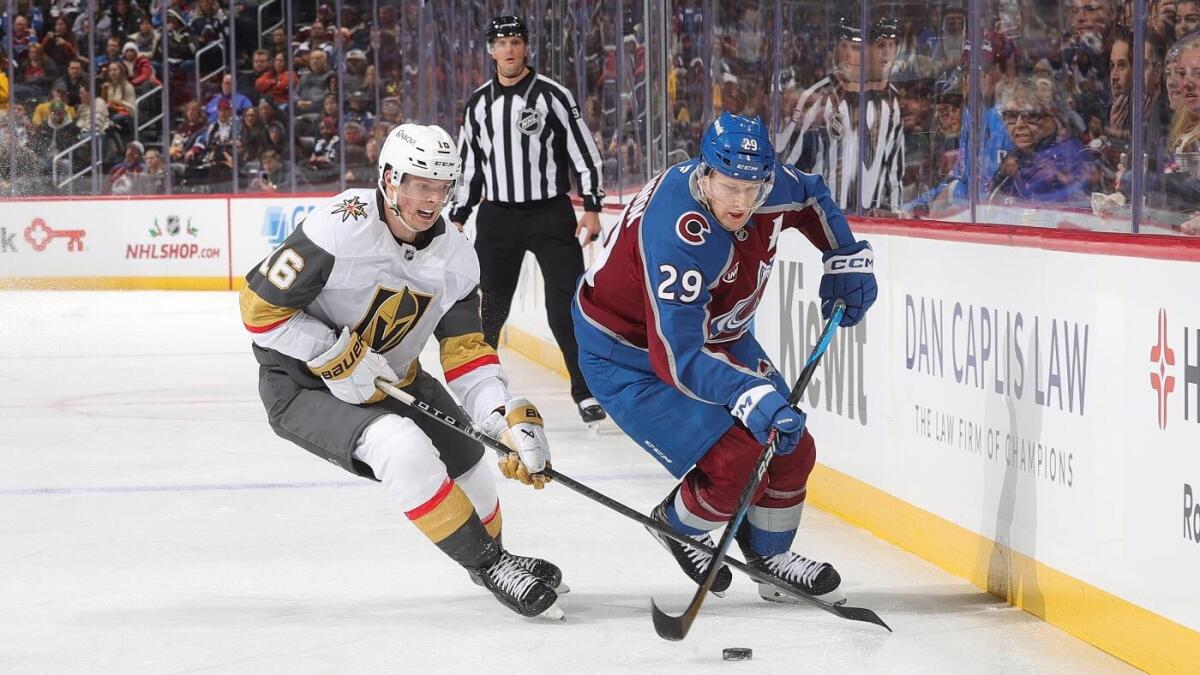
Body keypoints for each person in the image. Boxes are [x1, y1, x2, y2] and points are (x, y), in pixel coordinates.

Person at [238, 123, 565, 619]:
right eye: (420, 184)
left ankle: (492, 561)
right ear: (390, 178)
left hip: (393, 378)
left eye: (442, 187)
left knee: (472, 462)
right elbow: (259, 308)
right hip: (302, 384)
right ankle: (491, 563)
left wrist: (502, 420)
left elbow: (465, 352)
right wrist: (335, 352)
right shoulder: (340, 225)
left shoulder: (457, 256)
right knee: (400, 445)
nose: (432, 199)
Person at [572, 112, 877, 601]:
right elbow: (678, 358)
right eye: (730, 187)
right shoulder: (676, 235)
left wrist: (843, 256)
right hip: (628, 355)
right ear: (705, 172)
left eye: (752, 189)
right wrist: (747, 392)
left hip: (716, 334)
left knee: (791, 444)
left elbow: (812, 194)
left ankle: (771, 559)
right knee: (737, 459)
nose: (741, 202)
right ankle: (677, 525)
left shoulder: (763, 183)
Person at [450, 15, 607, 427]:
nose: (508, 49)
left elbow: (584, 153)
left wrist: (592, 205)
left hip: (549, 214)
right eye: (501, 43)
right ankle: (478, 394)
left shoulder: (553, 95)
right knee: (489, 310)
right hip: (497, 217)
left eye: (515, 41)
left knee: (565, 306)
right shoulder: (478, 104)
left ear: (526, 47)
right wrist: (458, 216)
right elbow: (470, 167)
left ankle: (585, 391)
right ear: (491, 50)